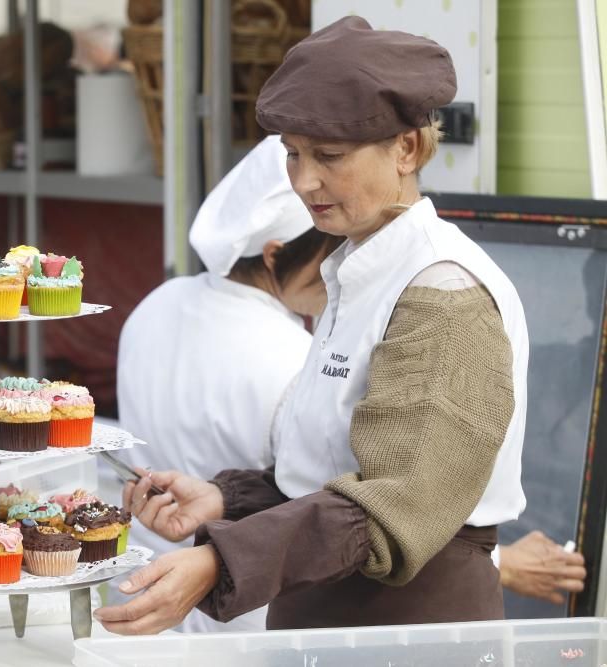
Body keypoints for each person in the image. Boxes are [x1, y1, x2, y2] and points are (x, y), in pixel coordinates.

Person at [96, 16, 530, 634]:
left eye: (328, 156)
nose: (304, 182)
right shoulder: (357, 271)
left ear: (407, 147)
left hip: (409, 626)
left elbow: (396, 506)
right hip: (326, 613)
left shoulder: (443, 293)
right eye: (293, 155)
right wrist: (228, 500)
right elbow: (333, 468)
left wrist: (222, 559)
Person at [116, 135, 342, 632]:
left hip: (143, 592)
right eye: (331, 257)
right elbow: (324, 509)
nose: (340, 273)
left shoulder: (157, 303)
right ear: (274, 253)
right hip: (241, 614)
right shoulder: (296, 361)